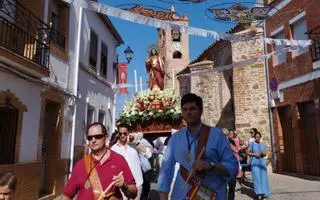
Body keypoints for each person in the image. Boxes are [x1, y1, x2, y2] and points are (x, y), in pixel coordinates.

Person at [157, 93, 238, 200]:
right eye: (185, 109)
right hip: (182, 195)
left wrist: (211, 165)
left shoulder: (217, 135)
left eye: (192, 108)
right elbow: (166, 171)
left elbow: (233, 167)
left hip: (211, 194)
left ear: (201, 111)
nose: (188, 112)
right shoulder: (175, 139)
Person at [62, 122, 137, 200]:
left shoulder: (119, 160)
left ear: (106, 138)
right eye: (90, 138)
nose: (93, 140)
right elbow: (67, 195)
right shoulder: (80, 165)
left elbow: (134, 193)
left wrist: (123, 186)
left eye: (98, 136)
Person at [111, 124, 143, 200]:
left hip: (137, 182)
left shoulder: (135, 145)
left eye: (125, 133)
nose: (122, 135)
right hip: (123, 185)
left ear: (128, 133)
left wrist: (137, 143)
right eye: (120, 133)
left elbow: (149, 154)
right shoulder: (113, 149)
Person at [248, 132, 270, 200]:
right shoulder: (251, 144)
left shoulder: (263, 144)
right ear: (254, 138)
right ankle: (259, 194)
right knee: (256, 178)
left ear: (260, 137)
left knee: (263, 178)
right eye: (256, 137)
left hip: (262, 163)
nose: (257, 138)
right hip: (254, 163)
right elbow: (247, 152)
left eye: (259, 137)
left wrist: (260, 153)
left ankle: (263, 193)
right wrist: (254, 154)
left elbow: (264, 153)